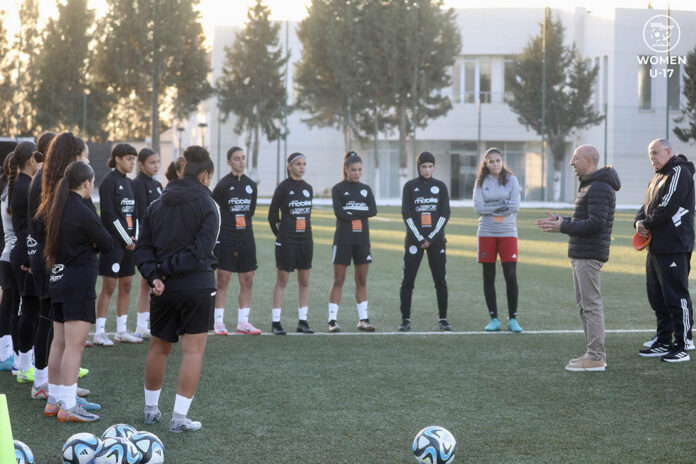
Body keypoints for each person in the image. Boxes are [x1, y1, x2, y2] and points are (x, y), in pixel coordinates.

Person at [135, 145, 220, 433]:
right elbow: (201, 250)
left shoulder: (157, 203)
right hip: (196, 285)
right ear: (205, 175)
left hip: (163, 288)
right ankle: (179, 418)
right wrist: (166, 271)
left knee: (158, 348)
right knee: (192, 352)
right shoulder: (209, 205)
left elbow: (142, 247)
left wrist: (154, 275)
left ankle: (150, 411)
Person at [536, 144, 620, 372]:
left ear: (589, 160)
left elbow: (595, 223)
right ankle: (592, 353)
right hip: (581, 253)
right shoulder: (590, 185)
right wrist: (561, 220)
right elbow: (585, 219)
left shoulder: (600, 187)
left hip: (589, 254)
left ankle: (596, 357)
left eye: (576, 158)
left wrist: (563, 226)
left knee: (591, 306)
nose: (572, 162)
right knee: (584, 306)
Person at [43, 161, 111, 422]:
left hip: (58, 280)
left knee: (58, 343)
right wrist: (92, 242)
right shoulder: (82, 210)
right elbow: (105, 241)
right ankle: (69, 405)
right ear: (87, 183)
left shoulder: (57, 207)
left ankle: (55, 399)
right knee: (74, 345)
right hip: (77, 283)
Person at [35, 132, 94, 407]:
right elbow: (100, 234)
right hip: (60, 269)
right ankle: (61, 397)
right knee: (65, 339)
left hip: (56, 268)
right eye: (85, 155)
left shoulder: (54, 187)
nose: (88, 160)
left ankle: (60, 395)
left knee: (60, 338)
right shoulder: (61, 191)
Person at [635, 138, 694, 362]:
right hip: (656, 246)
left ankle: (683, 344)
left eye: (655, 153)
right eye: (650, 154)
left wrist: (646, 224)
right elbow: (647, 206)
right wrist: (638, 222)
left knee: (676, 295)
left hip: (674, 245)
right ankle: (663, 339)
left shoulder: (678, 172)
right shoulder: (657, 176)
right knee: (657, 296)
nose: (652, 158)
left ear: (668, 151)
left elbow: (667, 206)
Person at [398, 151, 451, 332]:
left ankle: (443, 319)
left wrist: (432, 238)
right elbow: (406, 213)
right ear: (418, 167)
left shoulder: (441, 187)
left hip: (436, 241)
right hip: (414, 241)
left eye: (430, 166)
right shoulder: (410, 186)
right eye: (423, 166)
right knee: (408, 280)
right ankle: (405, 320)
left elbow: (445, 214)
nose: (427, 170)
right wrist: (420, 238)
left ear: (434, 167)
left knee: (440, 280)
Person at [94, 143, 140, 345]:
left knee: (127, 284)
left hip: (130, 243)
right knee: (109, 287)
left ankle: (121, 330)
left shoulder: (129, 183)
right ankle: (100, 332)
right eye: (129, 158)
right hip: (114, 243)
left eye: (134, 159)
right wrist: (125, 239)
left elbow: (134, 214)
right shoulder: (108, 182)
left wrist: (135, 237)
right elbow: (110, 215)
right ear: (118, 159)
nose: (132, 163)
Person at [211, 147, 260, 336]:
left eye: (243, 158)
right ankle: (218, 322)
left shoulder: (251, 185)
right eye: (237, 159)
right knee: (223, 280)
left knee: (247, 280)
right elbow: (214, 211)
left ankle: (244, 322)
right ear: (229, 162)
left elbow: (251, 212)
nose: (241, 162)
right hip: (226, 237)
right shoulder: (223, 185)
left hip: (246, 237)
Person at [473, 148, 522, 333]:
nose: (495, 164)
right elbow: (478, 208)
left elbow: (515, 205)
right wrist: (502, 205)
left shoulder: (512, 180)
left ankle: (513, 319)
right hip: (486, 232)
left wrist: (490, 207)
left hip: (508, 232)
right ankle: (493, 319)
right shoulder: (480, 182)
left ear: (503, 161)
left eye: (498, 160)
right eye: (491, 161)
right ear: (486, 163)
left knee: (510, 274)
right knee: (488, 275)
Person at [327, 151, 377, 333]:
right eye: (353, 170)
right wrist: (358, 212)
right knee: (338, 279)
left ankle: (363, 320)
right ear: (346, 170)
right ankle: (332, 321)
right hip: (343, 240)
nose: (357, 173)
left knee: (362, 279)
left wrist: (351, 213)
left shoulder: (366, 189)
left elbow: (373, 210)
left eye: (360, 170)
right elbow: (339, 213)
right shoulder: (338, 189)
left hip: (362, 240)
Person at [268, 153, 314, 335]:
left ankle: (303, 320)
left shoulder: (308, 188)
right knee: (282, 280)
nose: (302, 167)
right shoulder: (282, 188)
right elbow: (272, 216)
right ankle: (276, 322)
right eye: (298, 164)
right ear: (289, 167)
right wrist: (282, 236)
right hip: (287, 240)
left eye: (304, 164)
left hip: (306, 239)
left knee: (304, 281)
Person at [9, 141, 42, 383]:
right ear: (31, 159)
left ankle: (23, 364)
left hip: (24, 249)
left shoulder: (22, 184)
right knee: (29, 308)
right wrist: (33, 255)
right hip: (25, 252)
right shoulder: (24, 186)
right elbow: (31, 226)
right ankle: (23, 366)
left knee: (28, 308)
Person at [132, 148, 163, 338]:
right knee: (145, 281)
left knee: (154, 281)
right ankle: (141, 325)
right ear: (141, 164)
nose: (156, 166)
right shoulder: (136, 185)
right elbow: (140, 214)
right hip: (145, 240)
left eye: (158, 162)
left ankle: (151, 323)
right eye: (152, 162)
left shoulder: (159, 185)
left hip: (158, 239)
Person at [0, 153, 18, 372]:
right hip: (10, 256)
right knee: (11, 306)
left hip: (8, 255)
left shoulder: (9, 191)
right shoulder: (11, 193)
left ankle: (9, 352)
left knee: (10, 304)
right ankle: (7, 353)